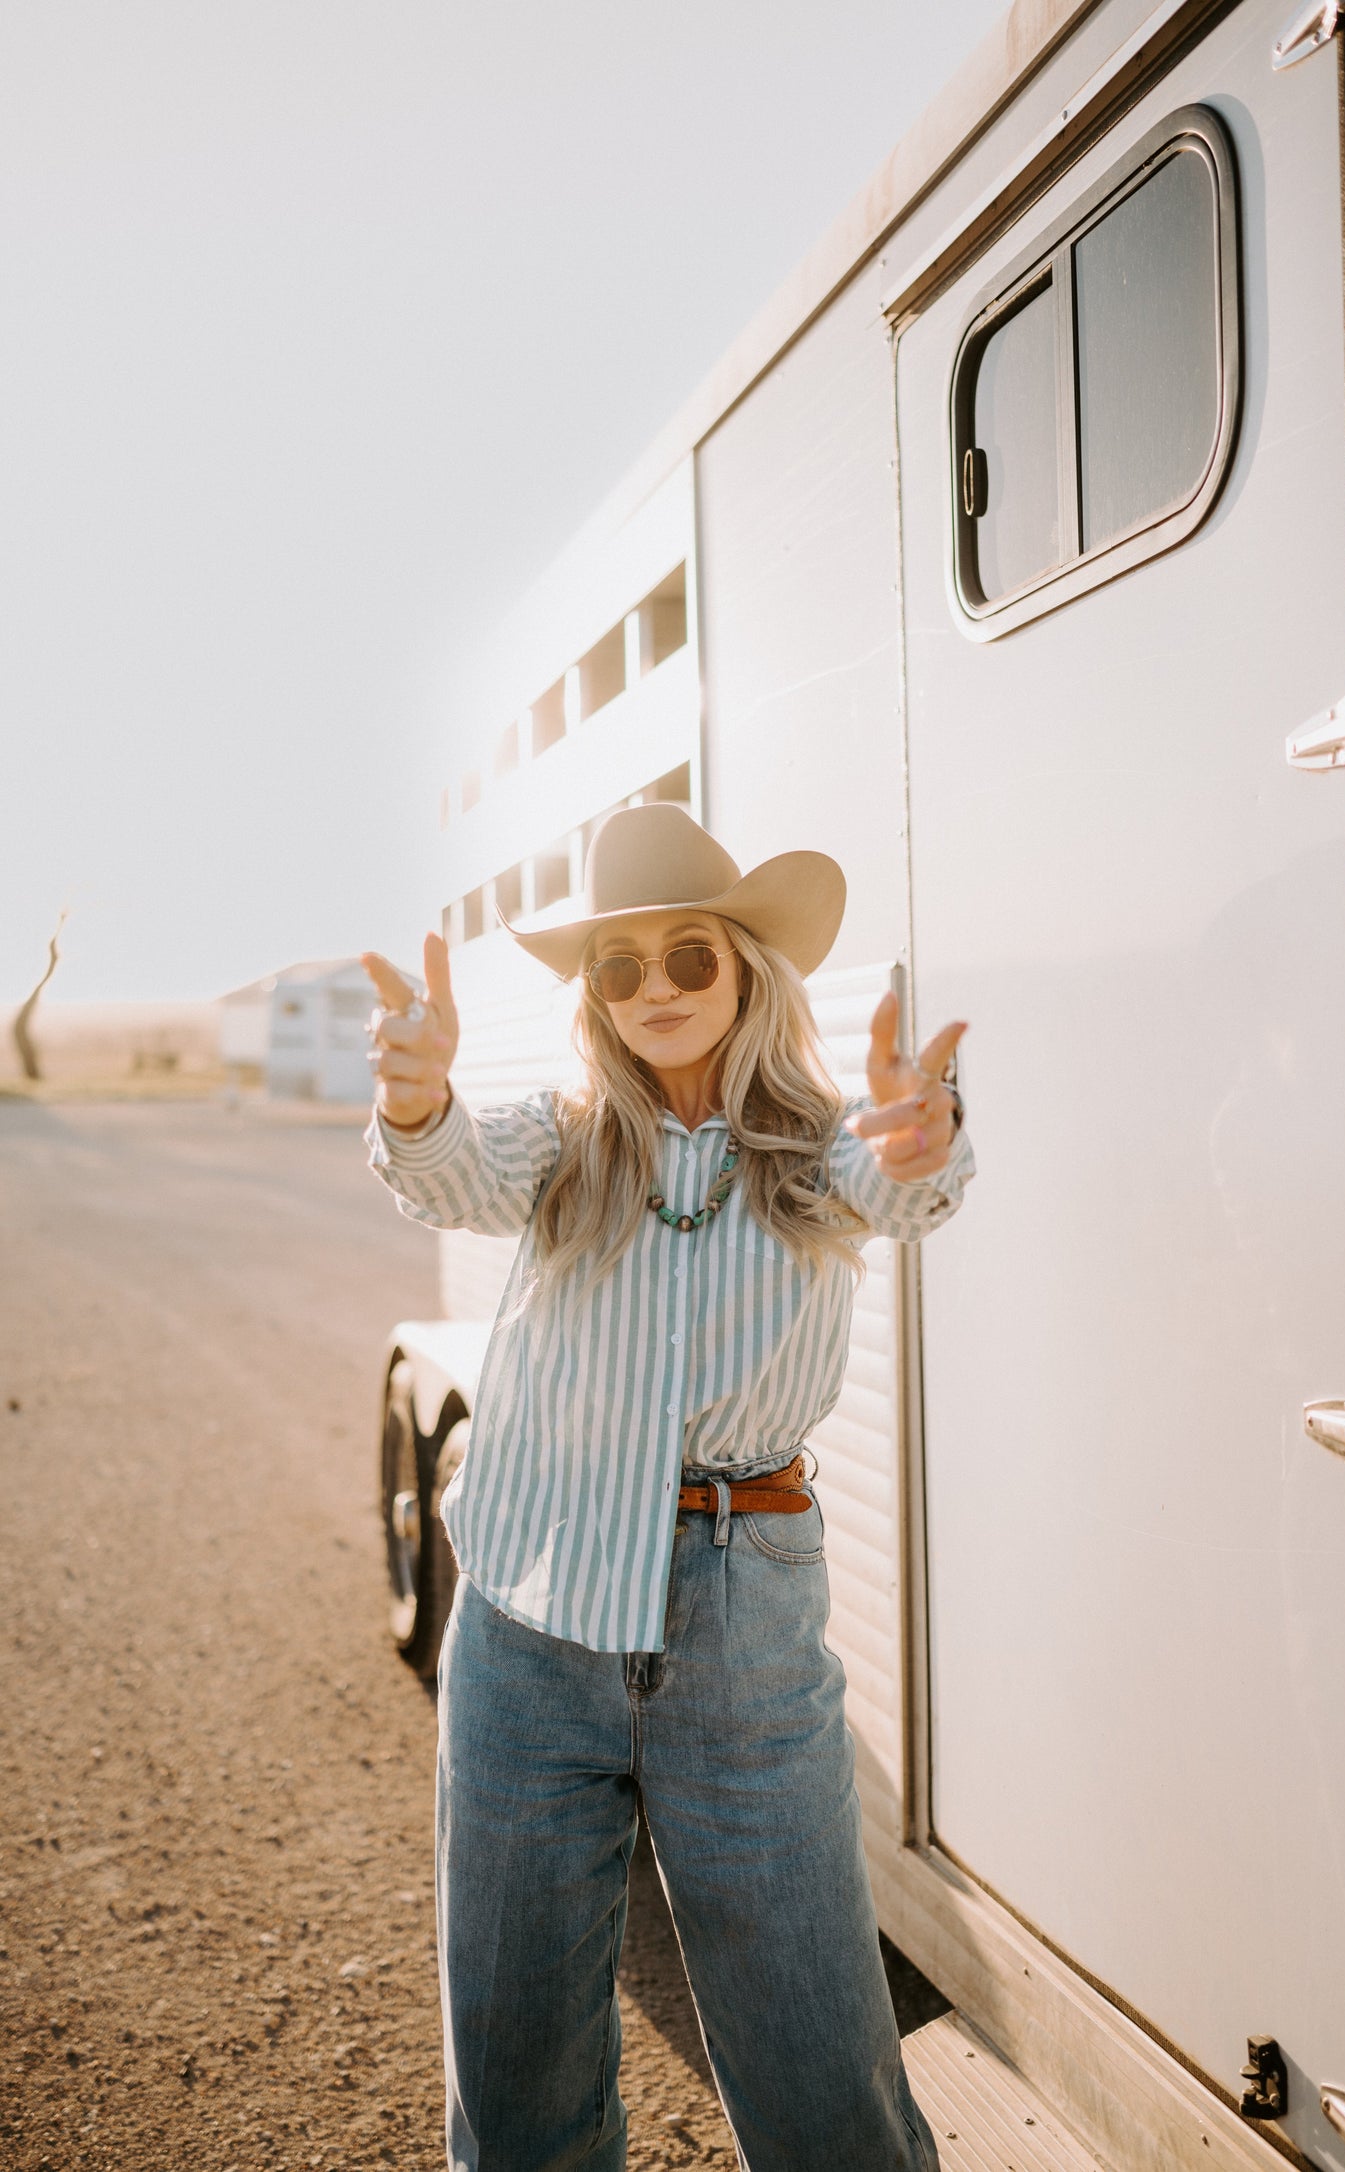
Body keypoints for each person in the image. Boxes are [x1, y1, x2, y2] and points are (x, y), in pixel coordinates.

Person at [361, 804, 972, 2172]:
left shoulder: (825, 1144)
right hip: (528, 1620)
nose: (653, 991)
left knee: (818, 2064)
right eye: (618, 967)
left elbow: (898, 1181)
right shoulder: (562, 1138)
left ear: (747, 968)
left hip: (741, 1626)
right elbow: (450, 1171)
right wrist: (413, 1096)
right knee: (516, 2070)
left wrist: (921, 1142)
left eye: (685, 956)